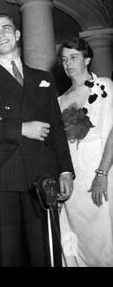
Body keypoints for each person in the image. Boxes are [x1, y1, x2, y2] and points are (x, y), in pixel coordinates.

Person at [0, 13, 74, 266]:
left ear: (17, 35)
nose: (1, 33)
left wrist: (66, 171)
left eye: (6, 28)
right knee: (6, 256)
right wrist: (22, 128)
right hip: (2, 176)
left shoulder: (43, 78)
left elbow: (57, 129)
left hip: (42, 175)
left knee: (45, 253)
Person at [58, 37, 113, 266]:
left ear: (87, 59)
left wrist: (102, 174)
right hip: (75, 176)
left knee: (104, 236)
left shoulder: (105, 87)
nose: (68, 63)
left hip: (102, 168)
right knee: (77, 238)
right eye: (63, 59)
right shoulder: (59, 100)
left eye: (73, 57)